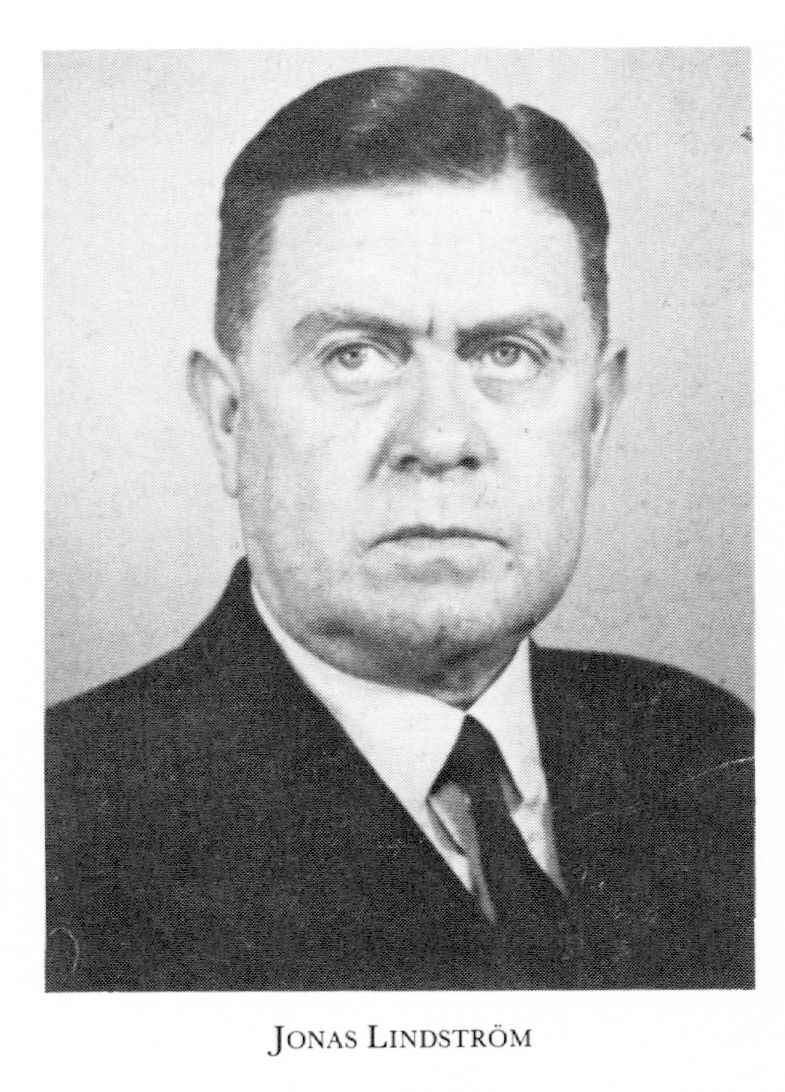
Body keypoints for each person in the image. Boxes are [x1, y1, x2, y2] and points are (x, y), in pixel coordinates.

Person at [46, 65, 753, 991]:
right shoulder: (59, 823)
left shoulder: (707, 755)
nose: (440, 439)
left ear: (595, 415)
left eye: (508, 353)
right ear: (228, 419)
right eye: (354, 356)